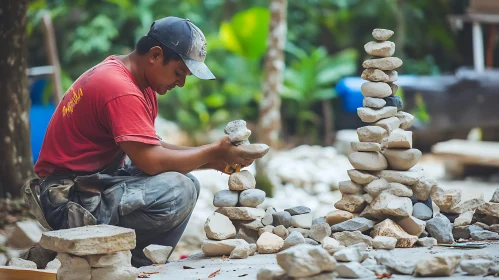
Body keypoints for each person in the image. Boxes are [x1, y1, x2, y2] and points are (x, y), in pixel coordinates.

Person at [26, 16, 264, 267]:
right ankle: (133, 266)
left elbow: (152, 148)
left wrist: (214, 159)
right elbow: (150, 162)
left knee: (189, 183)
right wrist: (213, 150)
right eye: (179, 72)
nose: (181, 83)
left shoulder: (140, 84)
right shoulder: (120, 88)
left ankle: (139, 264)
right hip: (66, 200)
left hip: (91, 184)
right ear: (155, 55)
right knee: (178, 190)